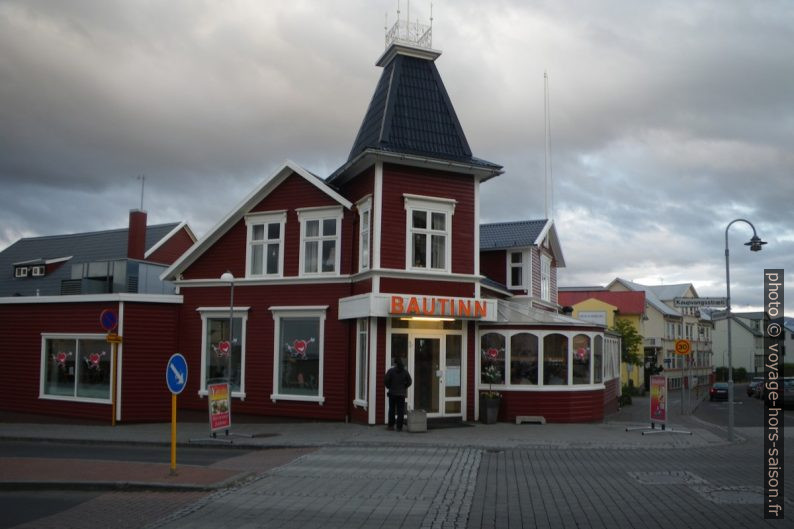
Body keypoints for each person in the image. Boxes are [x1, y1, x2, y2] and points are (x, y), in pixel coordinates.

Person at [384, 358, 412, 431]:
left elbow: (386, 381)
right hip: (401, 394)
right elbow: (410, 381)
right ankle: (399, 427)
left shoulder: (391, 371)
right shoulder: (405, 372)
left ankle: (391, 426)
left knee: (392, 410)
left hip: (392, 393)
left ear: (395, 363)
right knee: (400, 411)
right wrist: (404, 386)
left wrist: (389, 386)